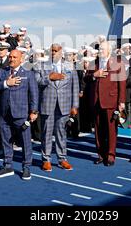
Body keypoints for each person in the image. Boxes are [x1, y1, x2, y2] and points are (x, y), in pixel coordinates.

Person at [0, 50, 38, 180]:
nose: (11, 59)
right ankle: (7, 166)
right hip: (4, 113)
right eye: (10, 56)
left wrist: (34, 111)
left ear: (21, 59)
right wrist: (6, 83)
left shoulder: (28, 73)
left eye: (14, 57)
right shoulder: (2, 72)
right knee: (5, 140)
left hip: (21, 114)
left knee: (25, 142)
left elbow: (34, 93)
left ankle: (26, 167)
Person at [35, 44, 79, 172]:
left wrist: (75, 105)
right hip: (47, 103)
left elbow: (75, 87)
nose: (53, 53)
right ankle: (46, 159)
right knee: (46, 132)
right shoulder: (41, 65)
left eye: (56, 50)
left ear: (61, 52)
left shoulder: (70, 66)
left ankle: (62, 158)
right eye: (52, 50)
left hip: (64, 104)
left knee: (61, 132)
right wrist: (49, 77)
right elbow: (36, 82)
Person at [85, 41, 126, 166]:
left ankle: (111, 155)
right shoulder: (94, 63)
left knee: (111, 130)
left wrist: (121, 101)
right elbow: (86, 78)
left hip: (111, 100)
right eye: (99, 49)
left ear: (109, 50)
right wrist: (94, 75)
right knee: (98, 130)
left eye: (103, 49)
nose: (100, 51)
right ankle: (101, 154)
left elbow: (122, 83)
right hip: (96, 101)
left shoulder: (117, 63)